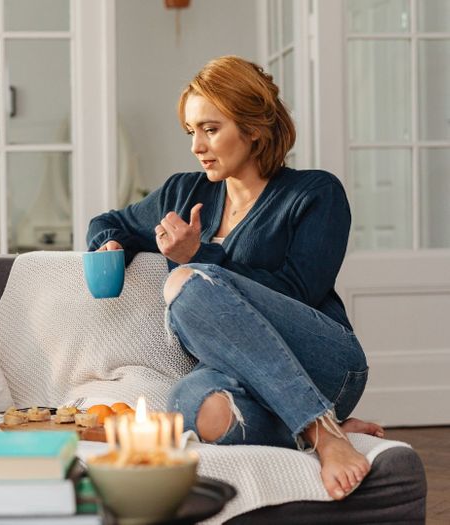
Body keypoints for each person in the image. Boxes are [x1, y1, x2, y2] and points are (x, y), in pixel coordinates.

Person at [86, 56, 385, 501]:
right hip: (239, 378)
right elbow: (108, 220)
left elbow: (297, 294)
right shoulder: (182, 192)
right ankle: (312, 426)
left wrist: (199, 257)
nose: (196, 146)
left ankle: (325, 434)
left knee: (186, 283)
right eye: (191, 132)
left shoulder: (315, 193)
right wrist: (110, 243)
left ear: (254, 128)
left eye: (210, 129)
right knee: (192, 408)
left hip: (325, 363)